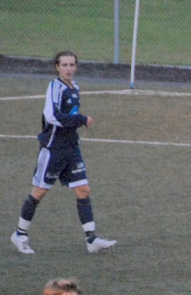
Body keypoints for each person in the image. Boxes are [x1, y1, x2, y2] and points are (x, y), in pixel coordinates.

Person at [11, 51, 117, 255]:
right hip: (53, 149)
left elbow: (70, 116)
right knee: (40, 191)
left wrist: (78, 121)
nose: (68, 68)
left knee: (83, 190)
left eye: (72, 64)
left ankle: (91, 240)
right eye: (64, 65)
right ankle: (20, 235)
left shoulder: (75, 88)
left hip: (71, 148)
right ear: (57, 67)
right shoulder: (55, 87)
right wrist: (81, 120)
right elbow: (52, 116)